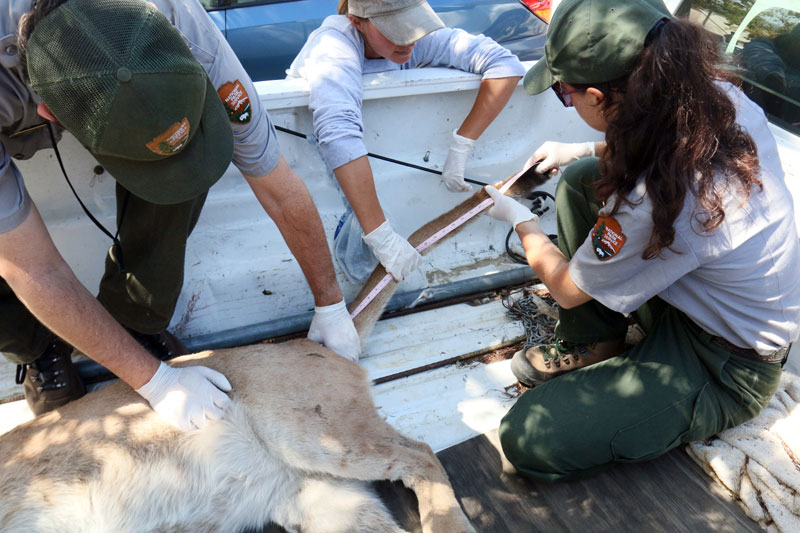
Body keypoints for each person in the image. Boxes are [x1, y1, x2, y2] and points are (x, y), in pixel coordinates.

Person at [0, 0, 359, 428]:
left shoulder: (178, 20)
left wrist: (331, 305)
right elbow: (34, 269)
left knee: (188, 161)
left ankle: (136, 320)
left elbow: (277, 185)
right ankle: (39, 350)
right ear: (49, 115)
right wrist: (157, 384)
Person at [482, 0, 800, 481]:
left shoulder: (649, 200)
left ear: (597, 95)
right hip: (703, 303)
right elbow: (665, 139)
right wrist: (582, 149)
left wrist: (520, 220)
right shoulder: (720, 97)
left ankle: (671, 384)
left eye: (565, 94)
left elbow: (567, 288)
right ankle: (597, 341)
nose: (566, 102)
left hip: (728, 364)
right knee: (583, 177)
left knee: (528, 437)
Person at [286, 0, 525, 283]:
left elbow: (504, 64)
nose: (410, 40)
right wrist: (381, 236)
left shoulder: (411, 39)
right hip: (314, 168)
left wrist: (462, 144)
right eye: (395, 29)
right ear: (356, 21)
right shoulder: (332, 48)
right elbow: (338, 133)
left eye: (414, 25)